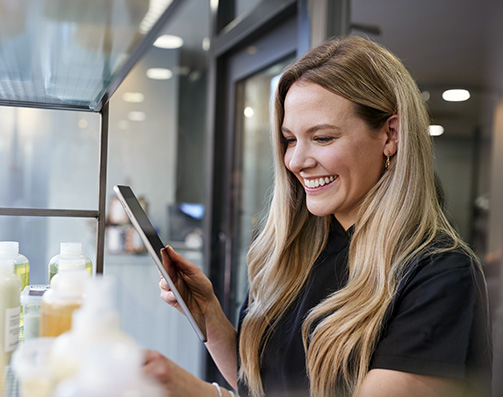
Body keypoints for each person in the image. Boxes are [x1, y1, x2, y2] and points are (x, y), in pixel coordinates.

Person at [143, 35, 492, 397]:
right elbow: (261, 383)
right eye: (290, 139)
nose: (295, 161)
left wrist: (198, 393)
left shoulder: (440, 275)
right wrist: (210, 317)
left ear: (391, 135)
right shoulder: (293, 254)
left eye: (322, 138)